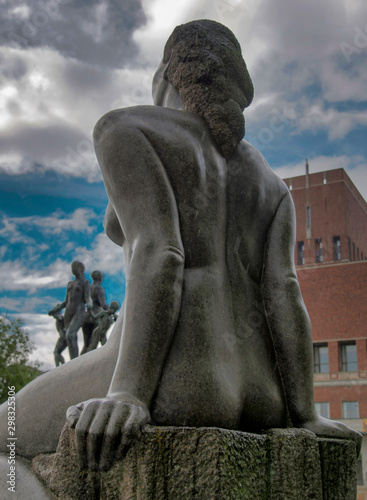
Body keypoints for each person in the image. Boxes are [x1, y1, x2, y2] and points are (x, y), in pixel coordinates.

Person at [0, 20, 361, 473]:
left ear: (166, 73)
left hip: (174, 380)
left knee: (5, 431)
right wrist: (305, 414)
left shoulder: (127, 129)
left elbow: (161, 253)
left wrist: (127, 393)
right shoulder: (273, 186)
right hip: (262, 396)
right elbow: (285, 295)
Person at [51, 261, 92, 359]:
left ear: (81, 269)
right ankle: (72, 361)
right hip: (68, 312)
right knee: (69, 338)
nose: (73, 269)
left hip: (79, 311)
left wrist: (90, 305)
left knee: (70, 334)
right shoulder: (70, 284)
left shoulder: (85, 282)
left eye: (75, 267)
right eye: (72, 267)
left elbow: (88, 297)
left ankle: (75, 362)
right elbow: (66, 301)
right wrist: (56, 309)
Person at [81, 270, 108, 354]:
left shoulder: (88, 289)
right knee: (93, 343)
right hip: (96, 316)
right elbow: (103, 304)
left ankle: (78, 363)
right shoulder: (99, 289)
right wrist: (110, 310)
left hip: (86, 317)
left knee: (86, 344)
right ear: (100, 278)